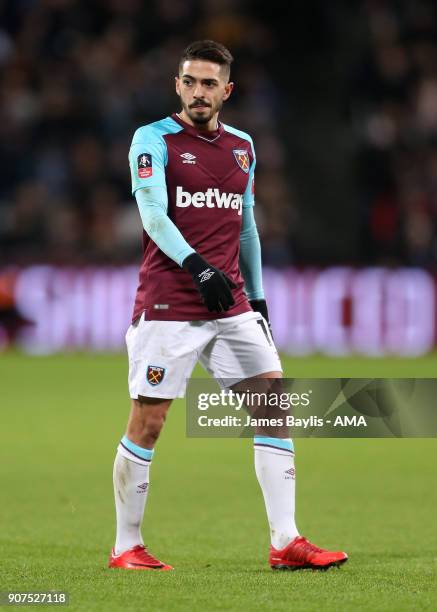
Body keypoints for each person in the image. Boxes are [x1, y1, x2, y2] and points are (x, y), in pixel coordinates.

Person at [109, 40, 348, 571]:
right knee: (149, 422)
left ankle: (285, 542)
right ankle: (127, 546)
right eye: (190, 82)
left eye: (209, 83)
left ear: (227, 90)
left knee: (273, 405)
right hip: (170, 303)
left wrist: (257, 298)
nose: (198, 92)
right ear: (177, 85)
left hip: (231, 305)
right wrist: (197, 265)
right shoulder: (152, 140)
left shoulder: (242, 147)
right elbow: (153, 215)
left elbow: (245, 228)